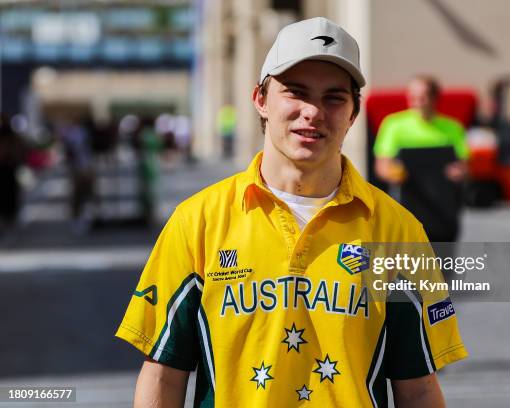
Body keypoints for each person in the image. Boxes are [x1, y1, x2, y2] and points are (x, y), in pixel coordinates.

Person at [117, 17, 467, 407]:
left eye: (333, 97)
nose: (313, 112)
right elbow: (163, 373)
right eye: (295, 92)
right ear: (261, 100)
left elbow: (418, 388)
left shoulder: (398, 229)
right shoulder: (198, 220)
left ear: (353, 112)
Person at [373, 75, 469, 185]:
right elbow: (382, 166)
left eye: (422, 98)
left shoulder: (453, 127)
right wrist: (394, 173)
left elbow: (464, 165)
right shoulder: (393, 124)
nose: (417, 103)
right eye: (413, 98)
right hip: (406, 195)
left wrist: (459, 172)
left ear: (435, 98)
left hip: (443, 195)